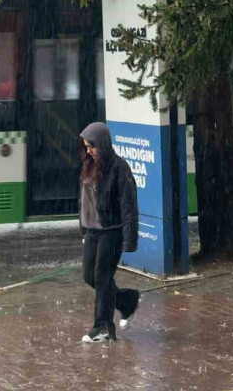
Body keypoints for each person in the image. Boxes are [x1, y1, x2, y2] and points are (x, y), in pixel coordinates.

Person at [78, 122, 141, 343]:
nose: (89, 151)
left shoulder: (119, 168)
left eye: (92, 146)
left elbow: (128, 206)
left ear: (103, 144)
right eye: (86, 147)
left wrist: (129, 239)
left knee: (103, 277)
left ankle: (103, 327)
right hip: (92, 230)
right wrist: (83, 228)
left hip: (111, 231)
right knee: (90, 276)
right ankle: (126, 300)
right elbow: (85, 201)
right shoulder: (89, 164)